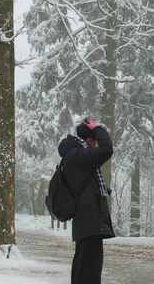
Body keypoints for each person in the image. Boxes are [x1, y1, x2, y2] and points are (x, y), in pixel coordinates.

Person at [58, 118, 115, 284]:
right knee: (90, 268)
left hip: (85, 221)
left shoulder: (73, 157)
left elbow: (82, 184)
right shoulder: (78, 155)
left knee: (83, 265)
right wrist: (98, 128)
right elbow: (107, 149)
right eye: (94, 140)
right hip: (89, 221)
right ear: (88, 139)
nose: (94, 145)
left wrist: (100, 190)